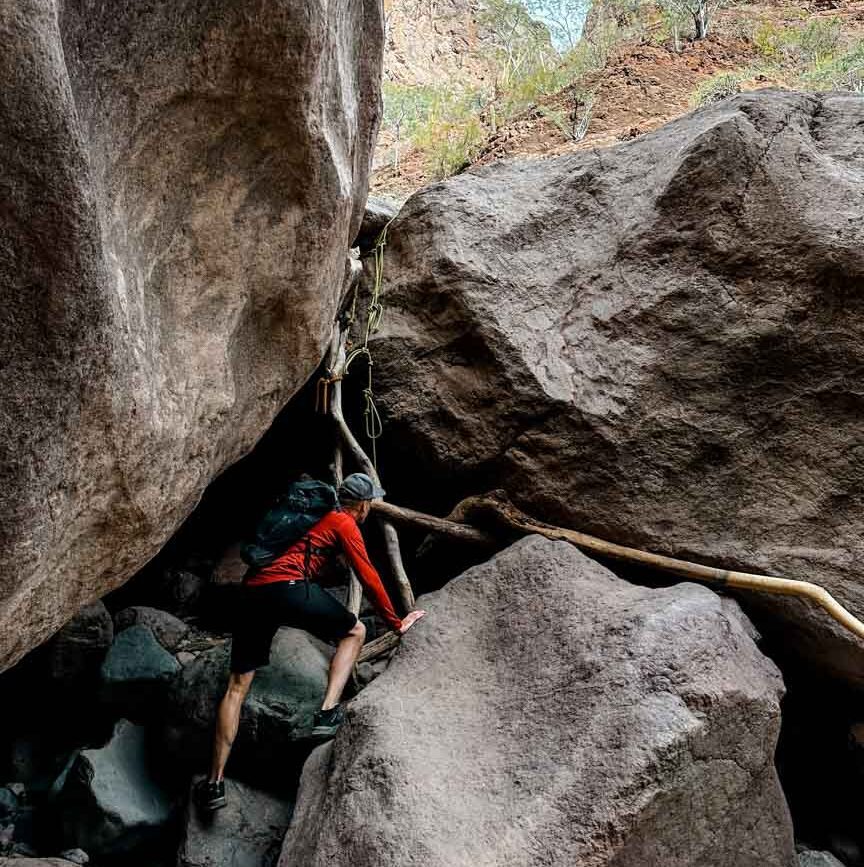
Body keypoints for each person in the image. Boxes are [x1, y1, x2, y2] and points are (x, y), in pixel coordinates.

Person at [195, 472, 426, 811]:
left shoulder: (310, 513)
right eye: (369, 504)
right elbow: (368, 574)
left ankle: (214, 783)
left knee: (237, 687)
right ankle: (327, 713)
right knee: (355, 631)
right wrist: (396, 623)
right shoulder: (343, 522)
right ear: (362, 505)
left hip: (252, 591)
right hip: (288, 589)